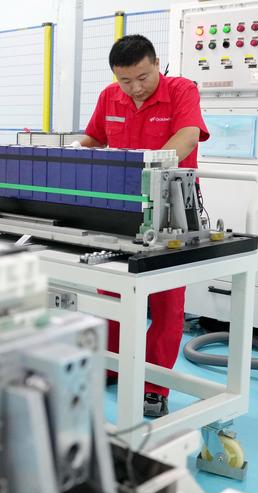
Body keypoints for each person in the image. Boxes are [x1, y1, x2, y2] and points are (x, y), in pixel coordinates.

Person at [74, 34, 210, 417]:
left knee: (166, 300)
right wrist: (65, 155)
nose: (135, 88)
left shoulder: (181, 90)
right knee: (112, 289)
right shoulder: (109, 97)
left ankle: (154, 385)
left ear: (156, 65)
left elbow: (188, 137)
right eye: (125, 80)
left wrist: (149, 171)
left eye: (143, 77)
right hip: (121, 207)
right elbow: (94, 138)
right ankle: (111, 365)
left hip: (172, 205)